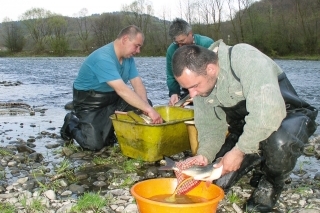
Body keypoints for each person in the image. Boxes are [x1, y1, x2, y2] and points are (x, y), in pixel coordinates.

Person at [171, 40, 318, 212]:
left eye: (194, 86)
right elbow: (211, 129)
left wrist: (239, 151)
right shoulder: (201, 86)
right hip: (245, 128)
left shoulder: (245, 58)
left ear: (210, 69)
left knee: (278, 143)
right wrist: (204, 155)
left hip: (286, 116)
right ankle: (259, 155)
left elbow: (268, 112)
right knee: (217, 181)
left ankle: (272, 181)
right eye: (187, 89)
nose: (192, 94)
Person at [60, 25, 163, 151]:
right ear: (125, 39)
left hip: (113, 98)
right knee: (94, 145)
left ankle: (112, 131)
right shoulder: (103, 58)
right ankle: (71, 122)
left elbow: (137, 83)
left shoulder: (128, 58)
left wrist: (147, 107)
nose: (138, 51)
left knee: (143, 106)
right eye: (136, 46)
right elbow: (122, 89)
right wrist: (149, 110)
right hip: (89, 103)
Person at [166, 18, 214, 106]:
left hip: (209, 88)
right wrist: (174, 93)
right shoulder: (171, 50)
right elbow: (171, 75)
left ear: (190, 34)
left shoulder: (207, 44)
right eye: (177, 43)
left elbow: (215, 72)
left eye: (182, 41)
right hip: (188, 90)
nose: (180, 46)